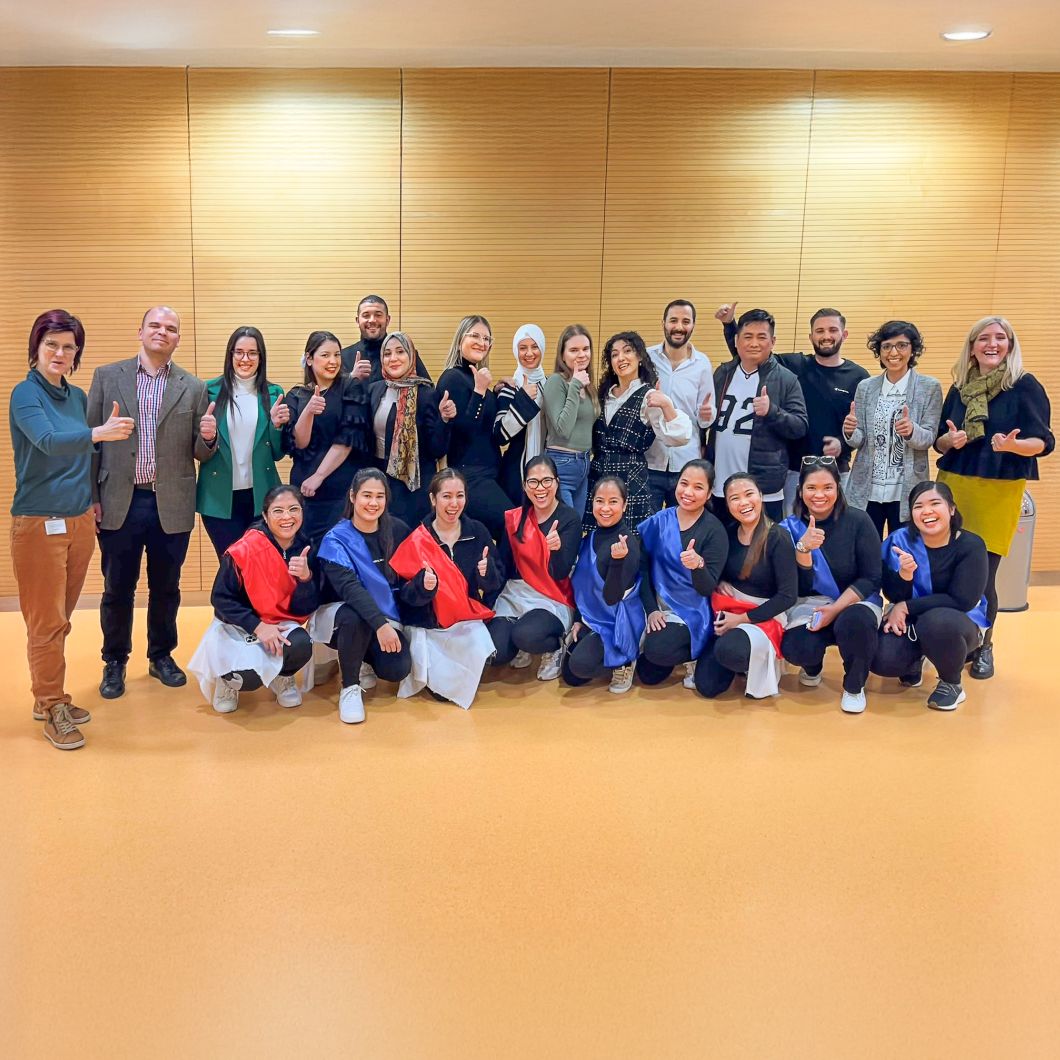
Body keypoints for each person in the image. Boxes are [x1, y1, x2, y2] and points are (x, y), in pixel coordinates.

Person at [10, 309, 134, 749]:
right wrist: (100, 432)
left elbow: (80, 457)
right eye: (52, 345)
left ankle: (51, 697)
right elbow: (47, 442)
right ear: (37, 347)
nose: (60, 353)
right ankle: (50, 703)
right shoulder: (25, 395)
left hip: (80, 519)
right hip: (40, 520)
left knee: (60, 621)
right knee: (45, 623)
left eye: (68, 346)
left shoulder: (77, 397)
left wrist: (93, 499)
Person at [87, 305, 216, 699]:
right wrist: (91, 497)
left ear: (178, 338)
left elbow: (200, 453)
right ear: (140, 332)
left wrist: (208, 437)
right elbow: (90, 441)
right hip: (118, 501)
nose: (163, 332)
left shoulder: (193, 387)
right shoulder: (108, 377)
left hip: (171, 502)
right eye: (155, 326)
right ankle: (115, 661)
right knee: (117, 587)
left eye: (171, 328)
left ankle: (161, 655)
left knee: (167, 587)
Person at [935, 316, 1053, 679]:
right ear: (971, 347)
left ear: (1010, 345)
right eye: (983, 338)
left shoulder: (1024, 386)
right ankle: (948, 639)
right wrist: (949, 442)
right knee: (944, 569)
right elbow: (940, 440)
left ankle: (984, 644)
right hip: (955, 483)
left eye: (1000, 338)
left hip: (999, 488)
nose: (992, 343)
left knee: (982, 576)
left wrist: (1015, 446)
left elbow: (1043, 442)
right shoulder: (959, 388)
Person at [716, 302, 869, 510]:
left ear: (845, 334)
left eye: (833, 330)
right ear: (811, 336)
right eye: (820, 331)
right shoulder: (794, 365)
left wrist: (843, 443)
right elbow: (752, 352)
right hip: (793, 470)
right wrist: (729, 324)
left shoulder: (859, 377)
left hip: (836, 470)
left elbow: (862, 430)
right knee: (791, 534)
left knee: (835, 532)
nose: (826, 336)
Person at [189, 485, 318, 713]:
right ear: (266, 516)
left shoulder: (306, 548)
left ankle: (282, 676)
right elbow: (220, 599)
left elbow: (305, 608)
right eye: (278, 511)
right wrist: (258, 626)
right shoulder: (245, 549)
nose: (287, 517)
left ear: (302, 513)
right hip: (239, 625)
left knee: (301, 644)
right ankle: (226, 681)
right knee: (248, 679)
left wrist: (306, 579)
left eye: (293, 509)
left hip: (279, 621)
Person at [312, 469, 423, 724]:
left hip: (385, 616)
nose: (373, 503)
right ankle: (350, 687)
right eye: (366, 495)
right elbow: (351, 590)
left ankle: (362, 657)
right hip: (342, 617)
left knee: (396, 668)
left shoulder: (397, 530)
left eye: (379, 497)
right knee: (355, 615)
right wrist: (382, 626)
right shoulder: (336, 539)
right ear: (352, 497)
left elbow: (410, 575)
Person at [387, 469, 502, 708]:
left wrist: (486, 574)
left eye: (459, 496)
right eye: (446, 496)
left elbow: (495, 583)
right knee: (440, 692)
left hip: (463, 620)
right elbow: (403, 596)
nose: (453, 503)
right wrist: (422, 587)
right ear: (433, 499)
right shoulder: (418, 537)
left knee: (487, 651)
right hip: (429, 625)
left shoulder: (478, 532)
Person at [872, 481, 989, 711]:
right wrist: (905, 575)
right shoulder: (899, 541)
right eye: (918, 506)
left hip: (956, 623)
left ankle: (951, 682)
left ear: (952, 509)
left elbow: (962, 600)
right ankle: (914, 661)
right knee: (881, 659)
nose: (927, 511)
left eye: (935, 503)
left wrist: (906, 606)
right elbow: (891, 593)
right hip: (914, 621)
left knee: (935, 622)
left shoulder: (970, 545)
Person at [779, 457, 883, 714]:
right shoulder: (788, 528)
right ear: (800, 491)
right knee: (797, 648)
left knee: (856, 622)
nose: (819, 495)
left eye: (827, 487)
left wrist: (835, 610)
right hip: (811, 604)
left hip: (855, 601)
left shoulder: (859, 521)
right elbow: (795, 589)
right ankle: (812, 666)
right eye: (811, 488)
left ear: (838, 488)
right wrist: (803, 549)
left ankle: (854, 686)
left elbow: (871, 578)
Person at [695, 474, 798, 699]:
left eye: (749, 494)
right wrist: (720, 580)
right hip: (729, 612)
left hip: (763, 618)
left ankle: (749, 658)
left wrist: (741, 620)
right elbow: (718, 571)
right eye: (735, 498)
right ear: (728, 504)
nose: (744, 503)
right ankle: (738, 659)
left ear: (761, 496)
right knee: (707, 686)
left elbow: (788, 596)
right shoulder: (728, 533)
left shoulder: (778, 538)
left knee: (729, 650)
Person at [707, 309, 808, 525]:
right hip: (719, 483)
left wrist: (772, 412)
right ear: (736, 340)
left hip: (764, 488)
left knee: (762, 550)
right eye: (748, 336)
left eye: (761, 337)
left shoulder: (786, 379)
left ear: (772, 342)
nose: (754, 343)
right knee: (724, 548)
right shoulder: (723, 372)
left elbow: (800, 426)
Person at [843, 320, 943, 539]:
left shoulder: (929, 387)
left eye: (901, 345)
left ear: (912, 349)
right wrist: (850, 431)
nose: (893, 352)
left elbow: (928, 437)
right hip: (867, 487)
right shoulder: (866, 387)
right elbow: (859, 439)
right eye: (886, 346)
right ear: (879, 351)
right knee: (866, 550)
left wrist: (910, 431)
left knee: (903, 552)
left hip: (906, 487)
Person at [636, 459, 729, 690]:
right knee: (648, 675)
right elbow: (642, 568)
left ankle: (697, 653)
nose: (688, 492)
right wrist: (651, 610)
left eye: (698, 487)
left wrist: (698, 566)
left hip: (692, 611)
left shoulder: (714, 530)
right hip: (658, 604)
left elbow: (707, 589)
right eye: (684, 483)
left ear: (709, 494)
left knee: (659, 650)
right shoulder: (659, 521)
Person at [196, 326, 288, 559]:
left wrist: (277, 427)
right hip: (219, 496)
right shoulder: (209, 391)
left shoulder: (274, 392)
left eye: (252, 353)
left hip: (262, 495)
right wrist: (207, 438)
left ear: (261, 357)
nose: (245, 359)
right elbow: (198, 448)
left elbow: (276, 453)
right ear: (230, 355)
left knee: (261, 565)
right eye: (239, 352)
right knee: (231, 565)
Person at [585, 331, 692, 530]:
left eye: (627, 351)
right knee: (597, 537)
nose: (621, 358)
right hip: (598, 475)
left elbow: (680, 436)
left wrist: (667, 405)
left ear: (640, 356)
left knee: (631, 539)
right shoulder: (603, 396)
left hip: (631, 479)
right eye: (615, 354)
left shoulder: (648, 395)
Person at [488, 455, 581, 681]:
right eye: (533, 482)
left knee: (526, 635)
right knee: (496, 650)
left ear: (557, 483)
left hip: (552, 596)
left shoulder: (569, 519)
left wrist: (556, 550)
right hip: (517, 592)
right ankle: (520, 644)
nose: (540, 488)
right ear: (525, 485)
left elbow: (560, 573)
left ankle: (554, 647)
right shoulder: (515, 518)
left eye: (547, 481)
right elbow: (504, 565)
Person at [281, 330, 371, 546]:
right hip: (304, 491)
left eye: (337, 355)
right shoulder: (296, 394)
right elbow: (299, 443)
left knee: (337, 553)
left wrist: (319, 476)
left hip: (339, 489)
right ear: (310, 359)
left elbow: (347, 440)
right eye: (325, 355)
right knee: (307, 554)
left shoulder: (351, 386)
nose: (333, 361)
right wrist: (309, 412)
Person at [563, 476, 645, 694]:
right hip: (595, 618)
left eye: (613, 502)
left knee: (581, 664)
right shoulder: (588, 538)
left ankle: (626, 660)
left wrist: (618, 563)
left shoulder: (627, 545)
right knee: (572, 675)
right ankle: (597, 644)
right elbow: (583, 587)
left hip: (619, 622)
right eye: (600, 501)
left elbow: (611, 597)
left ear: (625, 505)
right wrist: (581, 620)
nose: (605, 508)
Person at [436, 315, 511, 539]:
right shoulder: (452, 378)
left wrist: (495, 392)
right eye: (475, 336)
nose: (482, 342)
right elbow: (463, 430)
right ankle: (507, 575)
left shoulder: (476, 379)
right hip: (469, 476)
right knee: (510, 523)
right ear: (460, 340)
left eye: (487, 338)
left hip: (490, 474)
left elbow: (487, 427)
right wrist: (480, 391)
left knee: (487, 536)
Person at [367, 331, 451, 527]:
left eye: (400, 352)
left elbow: (437, 449)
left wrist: (444, 419)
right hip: (380, 481)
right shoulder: (374, 390)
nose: (393, 358)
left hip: (416, 486)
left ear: (412, 356)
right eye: (387, 354)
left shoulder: (427, 394)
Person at [646, 300, 716, 510]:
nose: (679, 327)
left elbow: (706, 419)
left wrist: (706, 414)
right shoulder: (647, 358)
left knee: (683, 527)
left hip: (686, 462)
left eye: (686, 321)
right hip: (651, 459)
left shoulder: (702, 363)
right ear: (663, 323)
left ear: (693, 325)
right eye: (673, 320)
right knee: (648, 528)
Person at [542, 324, 597, 517]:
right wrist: (574, 385)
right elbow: (562, 429)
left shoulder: (588, 385)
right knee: (566, 528)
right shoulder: (557, 382)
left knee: (576, 526)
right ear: (563, 355)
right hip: (561, 464)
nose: (581, 355)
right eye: (574, 350)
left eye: (585, 349)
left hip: (583, 463)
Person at [495, 324, 547, 504]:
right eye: (523, 348)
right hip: (516, 473)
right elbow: (500, 435)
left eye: (534, 347)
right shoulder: (509, 387)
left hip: (547, 469)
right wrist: (523, 399)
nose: (529, 353)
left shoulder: (550, 386)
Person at [340, 294, 429, 382]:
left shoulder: (406, 355)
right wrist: (351, 378)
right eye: (366, 315)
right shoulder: (343, 357)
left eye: (378, 315)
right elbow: (332, 392)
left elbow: (427, 390)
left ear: (387, 320)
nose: (372, 320)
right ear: (357, 321)